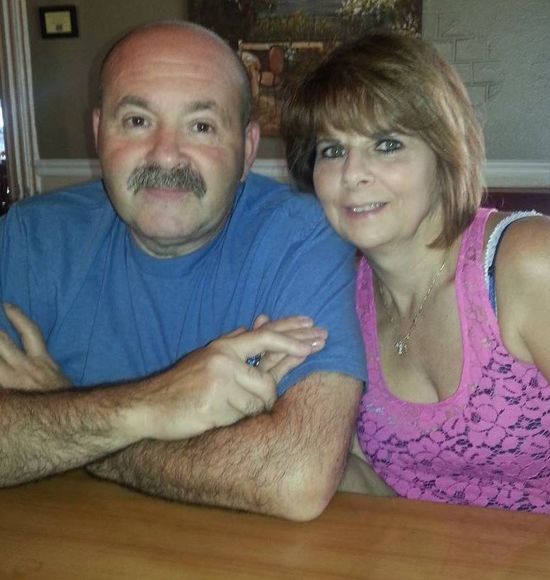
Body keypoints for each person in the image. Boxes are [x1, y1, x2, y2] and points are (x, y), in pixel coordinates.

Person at [0, 21, 367, 521]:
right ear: (98, 133)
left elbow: (294, 476)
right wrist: (149, 407)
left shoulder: (302, 237)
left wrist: (63, 416)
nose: (166, 154)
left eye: (201, 126)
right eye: (137, 121)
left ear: (248, 150)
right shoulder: (30, 238)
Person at [281, 31, 550, 514]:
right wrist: (275, 407)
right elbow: (372, 489)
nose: (352, 174)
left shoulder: (529, 260)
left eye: (387, 144)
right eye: (332, 150)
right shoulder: (338, 299)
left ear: (443, 156)